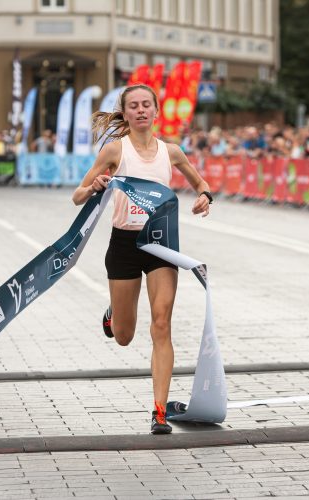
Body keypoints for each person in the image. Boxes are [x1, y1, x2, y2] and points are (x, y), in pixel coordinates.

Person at [72, 84, 212, 435]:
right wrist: (94, 187)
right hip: (124, 244)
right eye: (133, 106)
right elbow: (77, 196)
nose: (140, 110)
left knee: (162, 323)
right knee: (124, 335)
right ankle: (114, 314)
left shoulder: (172, 152)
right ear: (126, 112)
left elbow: (201, 184)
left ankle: (160, 411)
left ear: (156, 110)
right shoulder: (115, 151)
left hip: (161, 245)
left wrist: (204, 198)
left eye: (146, 104)